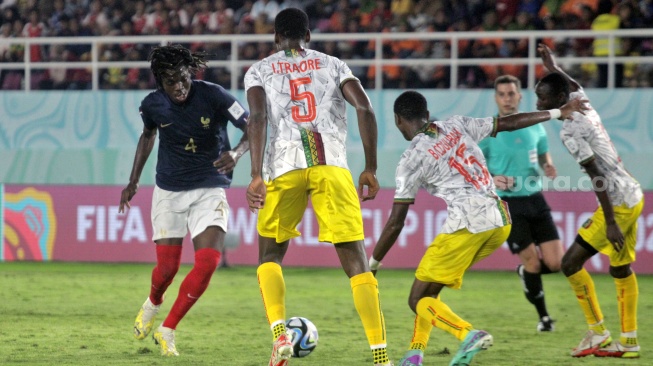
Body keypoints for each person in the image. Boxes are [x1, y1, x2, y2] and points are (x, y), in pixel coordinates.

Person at [369, 90, 587, 366]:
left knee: (417, 299)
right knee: (430, 292)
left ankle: (468, 334)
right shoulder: (458, 125)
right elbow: (509, 122)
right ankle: (415, 354)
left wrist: (373, 263)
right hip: (500, 220)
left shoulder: (410, 160)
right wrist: (559, 112)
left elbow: (396, 221)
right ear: (426, 114)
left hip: (467, 224)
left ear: (398, 120)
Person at [244, 8, 392, 366]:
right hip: (331, 166)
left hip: (283, 167)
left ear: (275, 38)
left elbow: (259, 117)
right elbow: (365, 108)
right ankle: (381, 356)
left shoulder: (259, 69)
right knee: (357, 262)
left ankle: (280, 336)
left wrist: (255, 174)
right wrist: (370, 168)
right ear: (308, 36)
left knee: (269, 257)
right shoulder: (334, 64)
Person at [118, 44, 249, 357]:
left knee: (208, 262)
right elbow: (148, 136)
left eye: (182, 78)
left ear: (192, 72)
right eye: (169, 81)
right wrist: (133, 181)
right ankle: (152, 303)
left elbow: (252, 125)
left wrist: (236, 153)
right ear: (160, 82)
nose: (178, 86)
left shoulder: (215, 95)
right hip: (169, 190)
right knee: (166, 270)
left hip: (209, 186)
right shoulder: (152, 105)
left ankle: (168, 329)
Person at [536, 43, 644, 358]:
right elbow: (571, 84)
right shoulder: (582, 102)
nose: (540, 102)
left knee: (569, 264)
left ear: (559, 101)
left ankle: (598, 333)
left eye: (543, 98)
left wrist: (609, 221)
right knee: (620, 268)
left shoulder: (570, 131)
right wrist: (552, 66)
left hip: (618, 204)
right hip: (632, 193)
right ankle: (629, 342)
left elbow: (596, 174)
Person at [478, 74, 564, 332]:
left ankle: (526, 274)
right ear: (496, 98)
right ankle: (544, 318)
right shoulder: (488, 131)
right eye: (502, 94)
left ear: (519, 96)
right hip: (507, 204)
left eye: (511, 93)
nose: (507, 99)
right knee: (534, 263)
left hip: (536, 198)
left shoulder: (534, 125)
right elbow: (474, 168)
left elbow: (541, 151)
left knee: (557, 263)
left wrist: (547, 164)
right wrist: (494, 178)